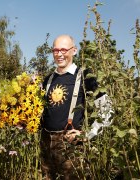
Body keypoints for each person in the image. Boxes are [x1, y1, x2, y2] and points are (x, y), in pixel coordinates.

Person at [40, 35, 112, 180]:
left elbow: (107, 110)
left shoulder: (85, 76)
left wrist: (87, 134)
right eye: (55, 50)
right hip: (46, 145)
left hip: (70, 146)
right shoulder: (48, 79)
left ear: (74, 50)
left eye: (64, 50)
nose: (59, 54)